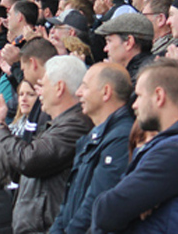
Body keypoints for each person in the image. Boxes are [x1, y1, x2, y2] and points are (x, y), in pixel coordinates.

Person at [91, 58, 178, 234]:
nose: (134, 105)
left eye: (139, 96)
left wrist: (132, 206)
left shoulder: (176, 153)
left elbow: (106, 212)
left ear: (159, 96)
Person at [0, 55, 93, 234]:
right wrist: (0, 125)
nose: (39, 92)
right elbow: (19, 163)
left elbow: (29, 160)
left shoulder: (76, 125)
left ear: (59, 88)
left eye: (43, 86)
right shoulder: (56, 124)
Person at [50, 62, 135, 234]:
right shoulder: (94, 136)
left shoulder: (121, 138)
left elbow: (95, 203)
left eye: (85, 87)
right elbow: (68, 203)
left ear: (106, 92)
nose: (78, 92)